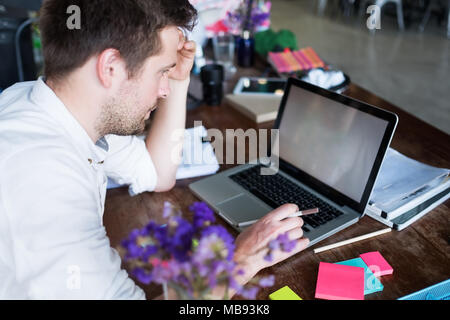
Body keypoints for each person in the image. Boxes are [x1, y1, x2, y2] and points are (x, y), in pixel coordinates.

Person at [0, 0, 309, 299]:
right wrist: (241, 261)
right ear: (110, 67)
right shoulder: (43, 184)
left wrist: (177, 78)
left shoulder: (45, 104)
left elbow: (157, 171)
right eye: (161, 72)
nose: (163, 91)